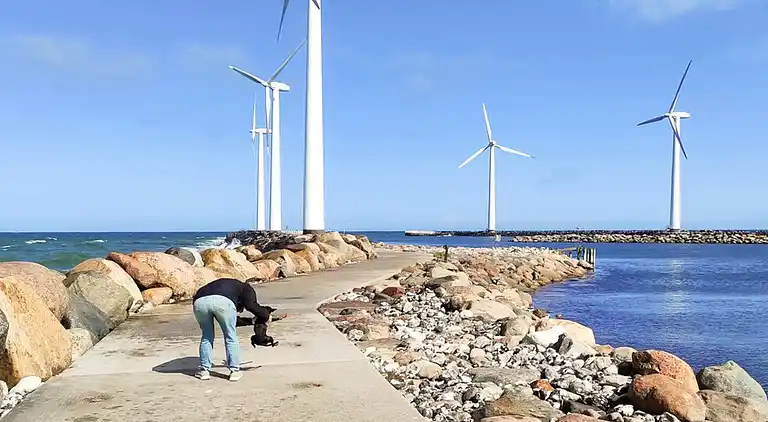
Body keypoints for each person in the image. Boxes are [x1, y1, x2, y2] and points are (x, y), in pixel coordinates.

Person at [191, 277, 272, 382]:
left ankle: (204, 371)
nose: (241, 311)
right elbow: (252, 306)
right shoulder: (246, 288)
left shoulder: (224, 285)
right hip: (223, 302)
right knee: (230, 337)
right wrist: (265, 316)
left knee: (207, 336)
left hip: (200, 302)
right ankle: (234, 372)